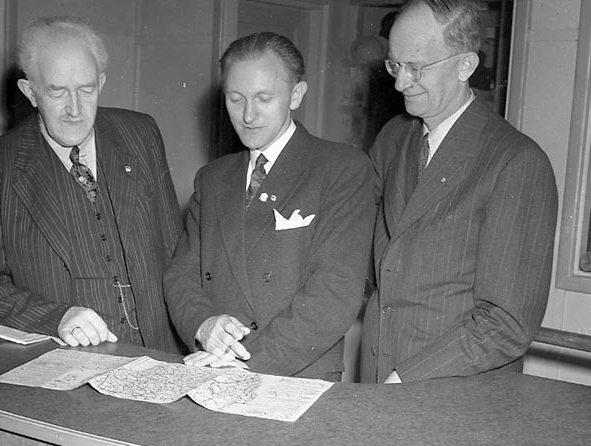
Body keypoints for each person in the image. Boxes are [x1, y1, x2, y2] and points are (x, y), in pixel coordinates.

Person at [0, 16, 185, 353]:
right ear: (30, 92)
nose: (75, 109)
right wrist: (56, 317)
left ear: (101, 83)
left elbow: (176, 250)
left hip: (162, 352)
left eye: (86, 90)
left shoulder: (141, 134)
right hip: (75, 359)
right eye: (57, 92)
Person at [360, 0, 558, 383]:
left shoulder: (516, 161)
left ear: (465, 65)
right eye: (395, 65)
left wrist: (405, 377)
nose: (400, 83)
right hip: (377, 375)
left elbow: (506, 324)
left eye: (416, 67)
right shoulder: (395, 136)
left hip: (452, 390)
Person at [163, 32, 372, 381]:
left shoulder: (341, 169)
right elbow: (181, 274)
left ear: (296, 95)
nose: (248, 115)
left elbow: (334, 293)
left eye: (263, 98)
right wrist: (203, 324)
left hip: (293, 377)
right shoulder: (212, 178)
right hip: (212, 367)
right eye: (235, 99)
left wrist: (247, 363)